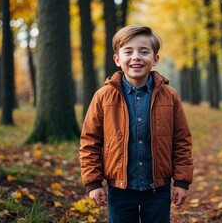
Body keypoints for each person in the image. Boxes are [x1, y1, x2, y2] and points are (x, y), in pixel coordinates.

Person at [79, 25, 194, 223]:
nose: (136, 57)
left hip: (158, 188)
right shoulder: (103, 97)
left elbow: (181, 141)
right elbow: (90, 141)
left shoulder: (170, 96)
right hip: (120, 188)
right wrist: (93, 183)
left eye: (144, 51)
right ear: (117, 59)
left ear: (155, 59)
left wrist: (182, 181)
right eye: (128, 51)